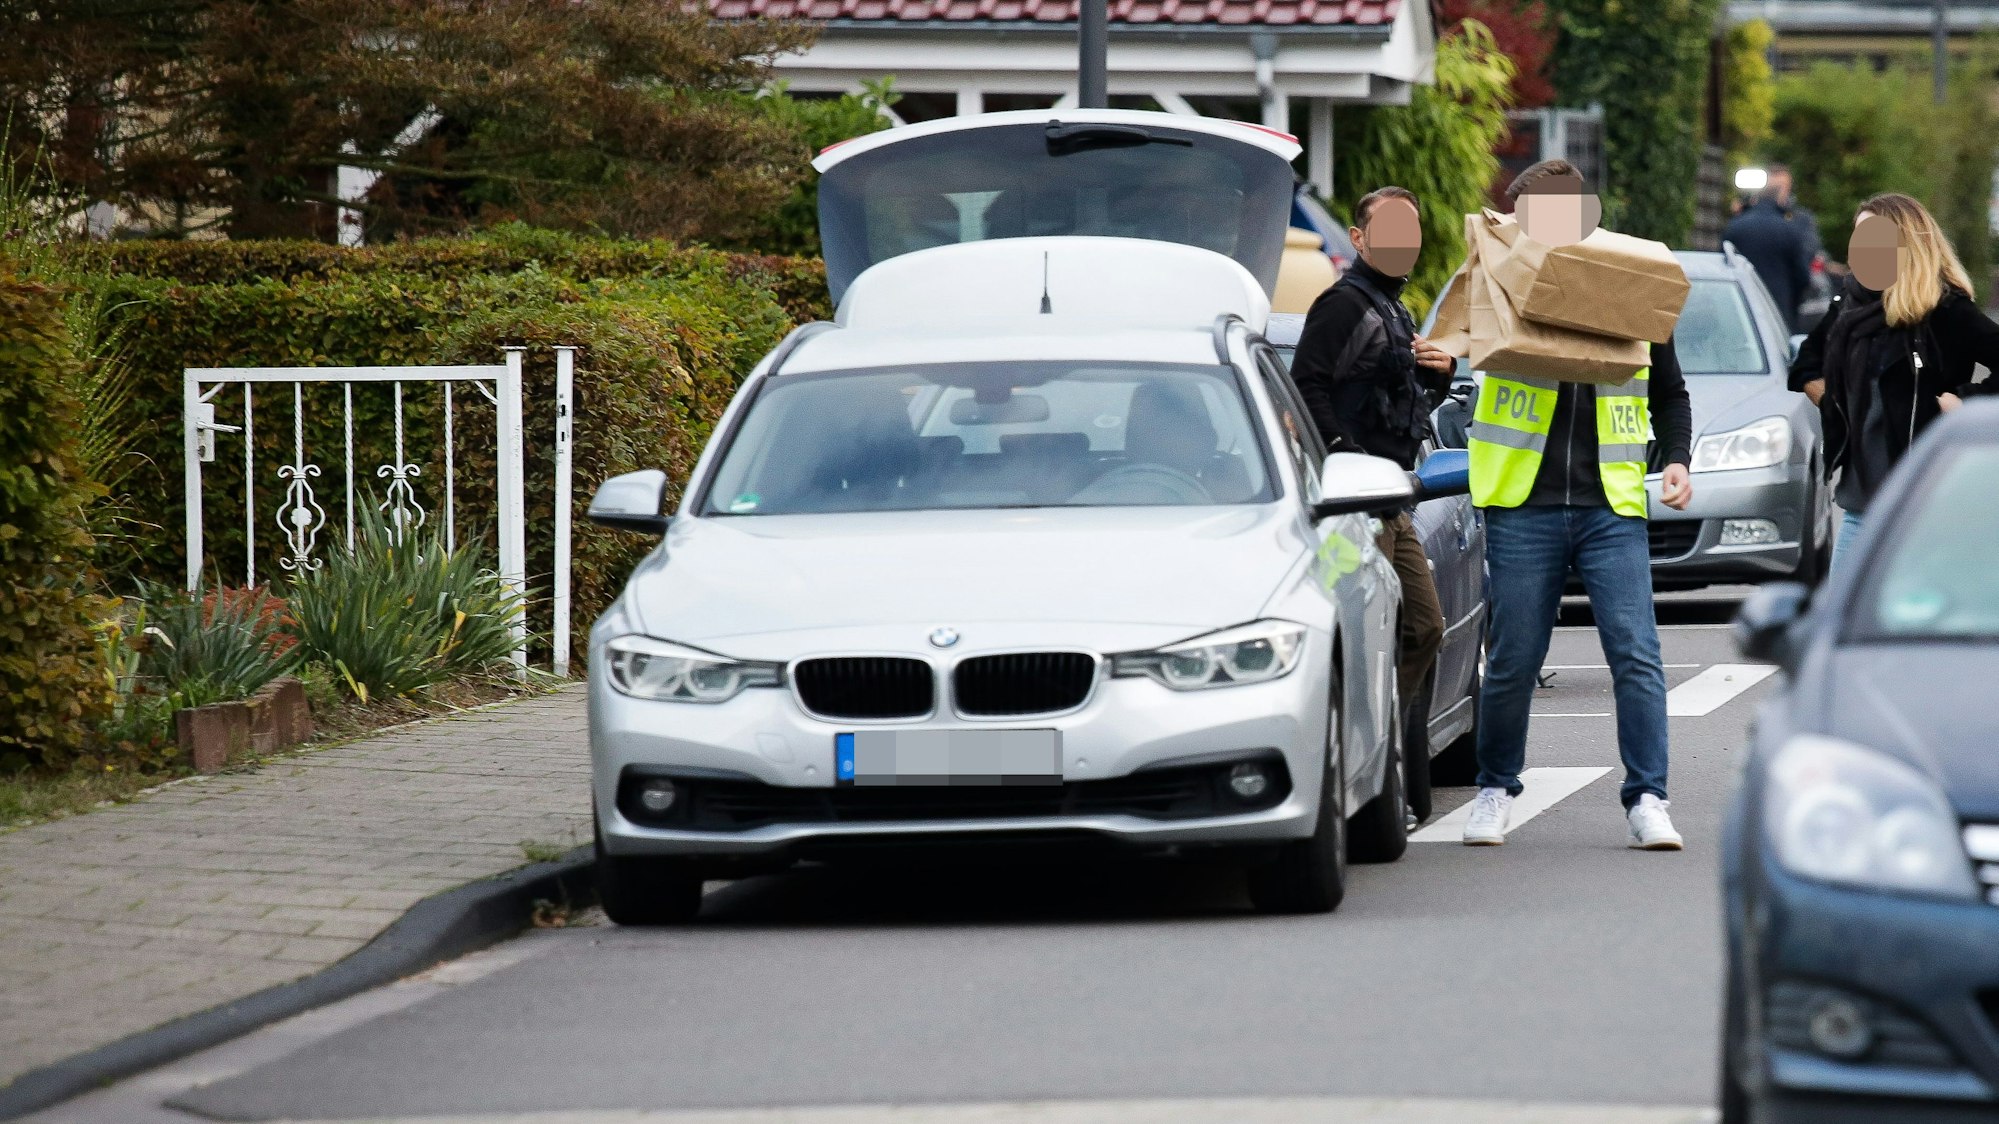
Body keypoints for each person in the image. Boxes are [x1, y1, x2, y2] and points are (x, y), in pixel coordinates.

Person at [1461, 159, 1695, 851]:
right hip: (1522, 501)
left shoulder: (1627, 284)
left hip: (1608, 504)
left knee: (1636, 655)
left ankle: (1648, 798)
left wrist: (1676, 458)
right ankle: (1493, 788)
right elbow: (1445, 357)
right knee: (1511, 659)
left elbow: (1669, 392)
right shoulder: (1494, 283)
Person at [1287, 186, 1454, 740]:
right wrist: (1340, 455)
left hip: (1391, 501)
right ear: (1358, 239)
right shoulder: (1344, 303)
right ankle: (1360, 746)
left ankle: (1378, 740)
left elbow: (1398, 401)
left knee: (1425, 627)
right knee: (1361, 635)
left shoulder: (1394, 307)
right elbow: (1304, 386)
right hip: (1354, 506)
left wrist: (1438, 374)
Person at [1789, 192, 1999, 571]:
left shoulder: (1947, 311)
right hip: (1861, 504)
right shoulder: (1850, 306)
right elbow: (1805, 366)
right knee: (1845, 624)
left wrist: (1965, 400)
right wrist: (1835, 398)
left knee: (1922, 623)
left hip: (1931, 504)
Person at [1725, 165, 1815, 331]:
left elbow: (1724, 264)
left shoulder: (1736, 226)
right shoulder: (1790, 229)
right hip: (1779, 309)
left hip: (1742, 309)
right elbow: (1802, 275)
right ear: (1780, 195)